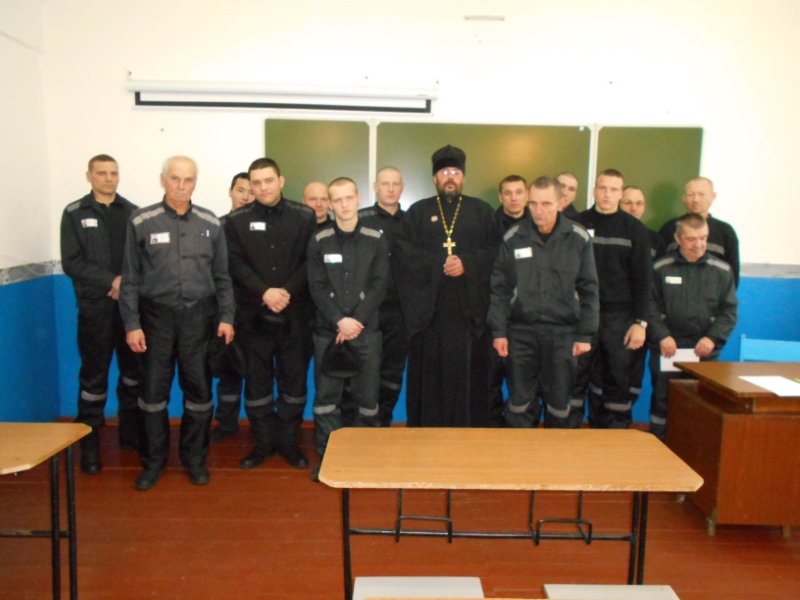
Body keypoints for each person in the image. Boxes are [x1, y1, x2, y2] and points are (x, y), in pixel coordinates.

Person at [120, 156, 235, 490]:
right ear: (163, 180)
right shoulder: (141, 221)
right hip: (155, 320)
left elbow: (222, 276)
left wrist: (227, 317)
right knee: (152, 394)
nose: (181, 186)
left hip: (199, 319)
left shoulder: (210, 223)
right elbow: (130, 278)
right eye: (175, 178)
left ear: (195, 183)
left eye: (188, 180)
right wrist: (132, 323)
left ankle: (194, 459)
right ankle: (153, 462)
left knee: (199, 393)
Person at [393, 145, 500, 427]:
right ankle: (427, 433)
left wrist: (467, 263)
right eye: (444, 172)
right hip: (430, 313)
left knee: (470, 377)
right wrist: (439, 263)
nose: (450, 177)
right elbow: (403, 253)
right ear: (435, 178)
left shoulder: (482, 211)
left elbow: (496, 251)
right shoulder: (418, 212)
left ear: (463, 177)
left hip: (469, 314)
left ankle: (468, 434)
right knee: (430, 376)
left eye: (455, 172)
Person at [225, 158, 316, 470]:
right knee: (257, 386)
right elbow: (234, 264)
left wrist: (285, 291)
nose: (263, 187)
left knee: (294, 384)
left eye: (268, 180)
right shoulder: (236, 220)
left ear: (281, 181)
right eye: (256, 182)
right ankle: (262, 445)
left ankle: (289, 445)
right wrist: (264, 292)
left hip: (296, 316)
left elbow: (311, 261)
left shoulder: (305, 216)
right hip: (253, 317)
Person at [490, 176, 599, 428]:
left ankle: (556, 452)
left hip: (563, 335)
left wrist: (585, 334)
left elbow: (589, 288)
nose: (539, 210)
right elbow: (500, 288)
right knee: (520, 403)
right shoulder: (514, 236)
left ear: (561, 203)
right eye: (534, 203)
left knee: (559, 404)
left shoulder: (578, 237)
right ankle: (521, 451)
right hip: (520, 333)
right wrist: (499, 331)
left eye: (547, 204)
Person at [60, 154, 140, 475]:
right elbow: (72, 262)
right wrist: (112, 281)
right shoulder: (74, 213)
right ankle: (90, 447)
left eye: (113, 173)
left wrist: (126, 284)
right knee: (93, 380)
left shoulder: (132, 212)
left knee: (133, 375)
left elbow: (141, 259)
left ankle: (130, 436)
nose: (108, 178)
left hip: (129, 309)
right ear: (89, 176)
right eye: (102, 173)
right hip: (94, 309)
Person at [307, 177, 389, 479]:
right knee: (327, 401)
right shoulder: (318, 240)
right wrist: (339, 320)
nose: (343, 204)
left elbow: (379, 284)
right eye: (337, 199)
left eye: (348, 198)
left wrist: (355, 321)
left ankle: (364, 460)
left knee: (367, 401)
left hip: (366, 333)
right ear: (330, 204)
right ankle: (329, 459)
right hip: (329, 334)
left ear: (358, 199)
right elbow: (316, 287)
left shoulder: (376, 238)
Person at [571, 169, 652, 429]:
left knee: (617, 380)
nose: (607, 194)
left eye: (614, 189)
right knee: (573, 378)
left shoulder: (634, 229)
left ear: (620, 193)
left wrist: (640, 323)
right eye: (602, 188)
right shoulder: (576, 224)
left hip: (620, 319)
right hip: (581, 316)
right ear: (594, 190)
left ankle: (613, 439)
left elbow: (643, 280)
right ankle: (566, 438)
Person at [649, 213, 738, 440]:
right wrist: (662, 336)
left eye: (703, 238)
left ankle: (695, 449)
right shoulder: (660, 268)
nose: (698, 244)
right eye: (691, 239)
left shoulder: (722, 270)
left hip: (704, 351)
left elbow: (729, 312)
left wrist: (712, 338)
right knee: (663, 400)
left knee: (702, 403)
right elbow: (648, 307)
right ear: (678, 238)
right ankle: (659, 446)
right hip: (668, 348)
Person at [356, 166, 408, 426]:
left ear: (402, 187)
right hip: (367, 311)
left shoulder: (412, 222)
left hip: (400, 312)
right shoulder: (359, 219)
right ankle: (360, 428)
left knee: (392, 372)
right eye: (385, 184)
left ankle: (383, 424)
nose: (390, 188)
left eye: (395, 183)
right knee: (364, 369)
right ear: (375, 187)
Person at [210, 172, 253, 444]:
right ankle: (226, 423)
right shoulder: (216, 226)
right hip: (224, 311)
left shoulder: (259, 227)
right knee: (227, 371)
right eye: (240, 190)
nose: (246, 196)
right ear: (230, 191)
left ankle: (260, 425)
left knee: (258, 371)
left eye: (251, 191)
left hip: (255, 311)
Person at [488, 175, 529, 427]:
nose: (514, 198)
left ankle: (520, 435)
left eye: (519, 192)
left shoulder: (538, 225)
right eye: (508, 193)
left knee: (523, 385)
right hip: (493, 316)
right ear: (500, 197)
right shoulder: (487, 226)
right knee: (490, 380)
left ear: (527, 195)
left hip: (527, 320)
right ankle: (492, 432)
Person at [658, 177, 740, 287]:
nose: (696, 199)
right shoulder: (669, 228)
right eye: (691, 194)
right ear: (684, 198)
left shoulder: (726, 232)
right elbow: (658, 269)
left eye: (702, 194)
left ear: (713, 196)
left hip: (711, 295)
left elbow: (732, 278)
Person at [620, 186, 663, 258]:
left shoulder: (656, 240)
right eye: (628, 203)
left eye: (639, 203)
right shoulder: (609, 235)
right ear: (618, 205)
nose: (634, 208)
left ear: (644, 207)